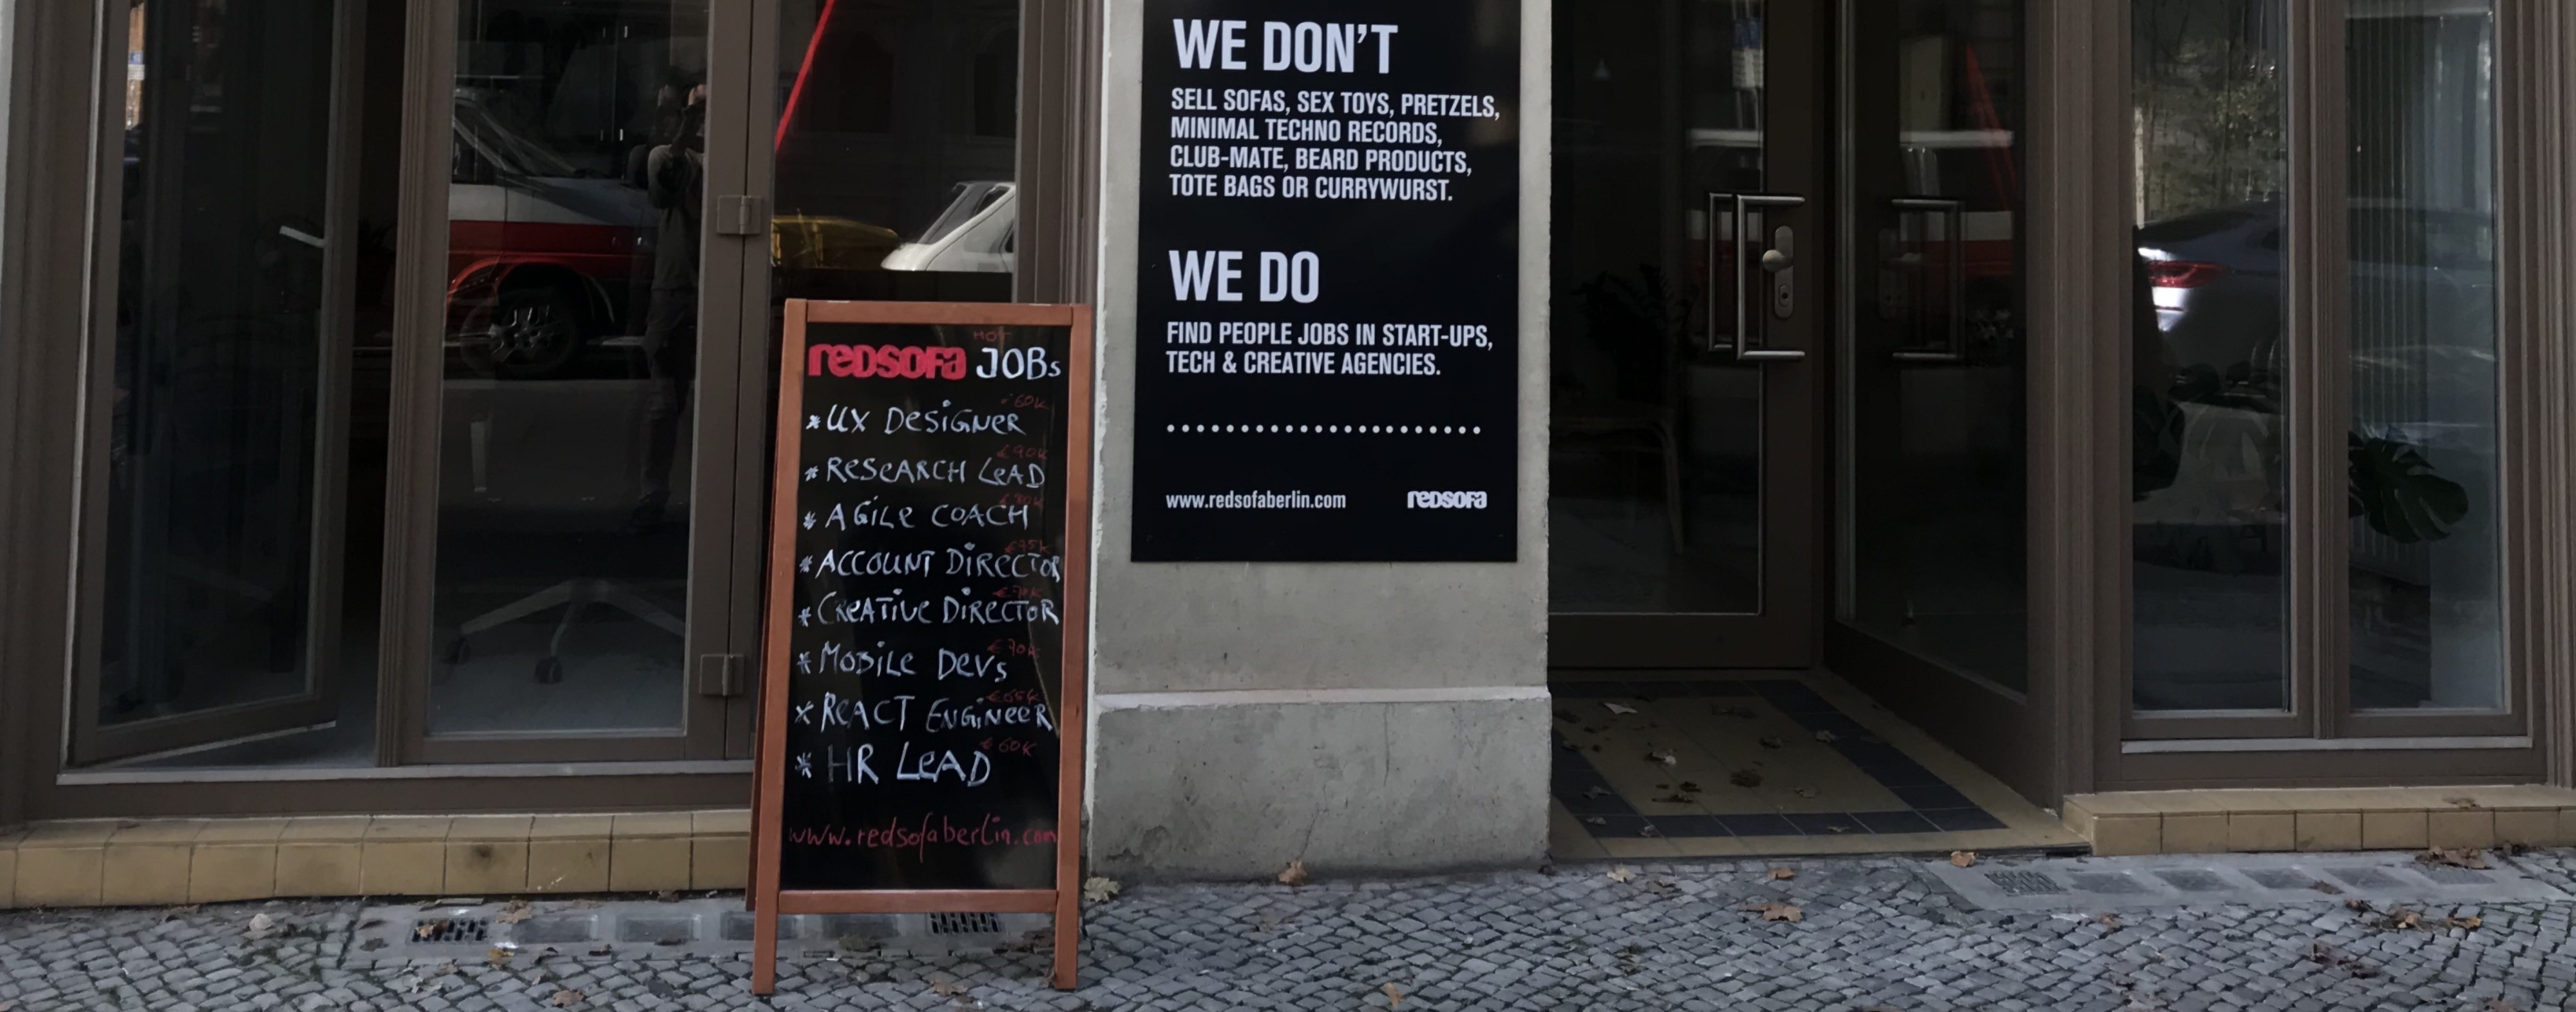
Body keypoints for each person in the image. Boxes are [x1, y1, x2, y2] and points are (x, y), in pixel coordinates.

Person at [631, 80, 704, 533]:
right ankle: (652, 495)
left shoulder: (733, 154)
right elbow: (665, 186)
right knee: (664, 401)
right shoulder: (667, 155)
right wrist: (690, 122)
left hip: (706, 289)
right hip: (677, 291)